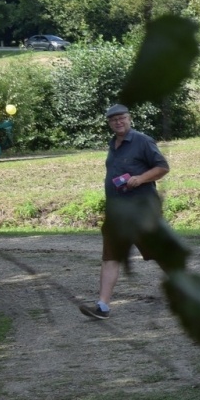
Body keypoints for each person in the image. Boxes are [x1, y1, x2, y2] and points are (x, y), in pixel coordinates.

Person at [81, 104, 170, 320]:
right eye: (113, 120)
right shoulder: (114, 144)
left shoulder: (142, 141)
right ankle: (102, 306)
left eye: (121, 118)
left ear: (129, 119)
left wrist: (140, 179)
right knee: (110, 257)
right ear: (109, 123)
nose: (118, 122)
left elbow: (163, 167)